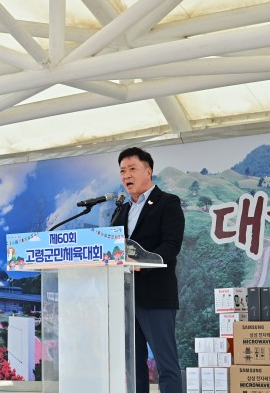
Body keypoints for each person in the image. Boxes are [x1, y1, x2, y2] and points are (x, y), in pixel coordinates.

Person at [111, 147, 185, 393]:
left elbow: (171, 245)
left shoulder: (168, 203)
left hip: (156, 296)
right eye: (122, 171)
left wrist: (143, 263)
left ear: (148, 171)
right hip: (126, 298)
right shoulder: (121, 210)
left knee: (166, 364)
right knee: (133, 367)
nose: (126, 175)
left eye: (132, 169)